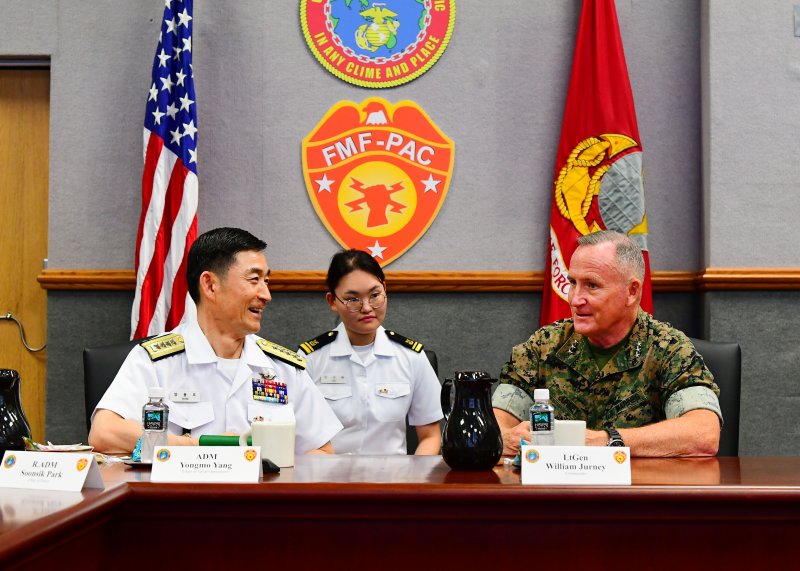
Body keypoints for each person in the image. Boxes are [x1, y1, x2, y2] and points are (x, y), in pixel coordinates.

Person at [88, 227, 342, 455]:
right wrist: (197, 447)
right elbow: (103, 433)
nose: (266, 294)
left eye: (266, 281)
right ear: (210, 285)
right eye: (254, 280)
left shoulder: (282, 368)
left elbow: (321, 449)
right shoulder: (156, 361)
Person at [492, 230, 722, 457]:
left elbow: (704, 434)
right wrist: (507, 438)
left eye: (592, 285)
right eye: (573, 283)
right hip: (558, 491)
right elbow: (493, 424)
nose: (575, 299)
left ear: (632, 292)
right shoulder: (545, 345)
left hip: (635, 491)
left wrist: (609, 441)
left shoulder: (668, 348)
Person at [298, 249, 443, 455]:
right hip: (332, 480)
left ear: (385, 289)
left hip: (395, 481)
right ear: (332, 301)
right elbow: (304, 439)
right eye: (353, 299)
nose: (367, 307)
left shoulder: (412, 357)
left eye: (374, 295)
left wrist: (413, 483)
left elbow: (430, 436)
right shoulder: (310, 359)